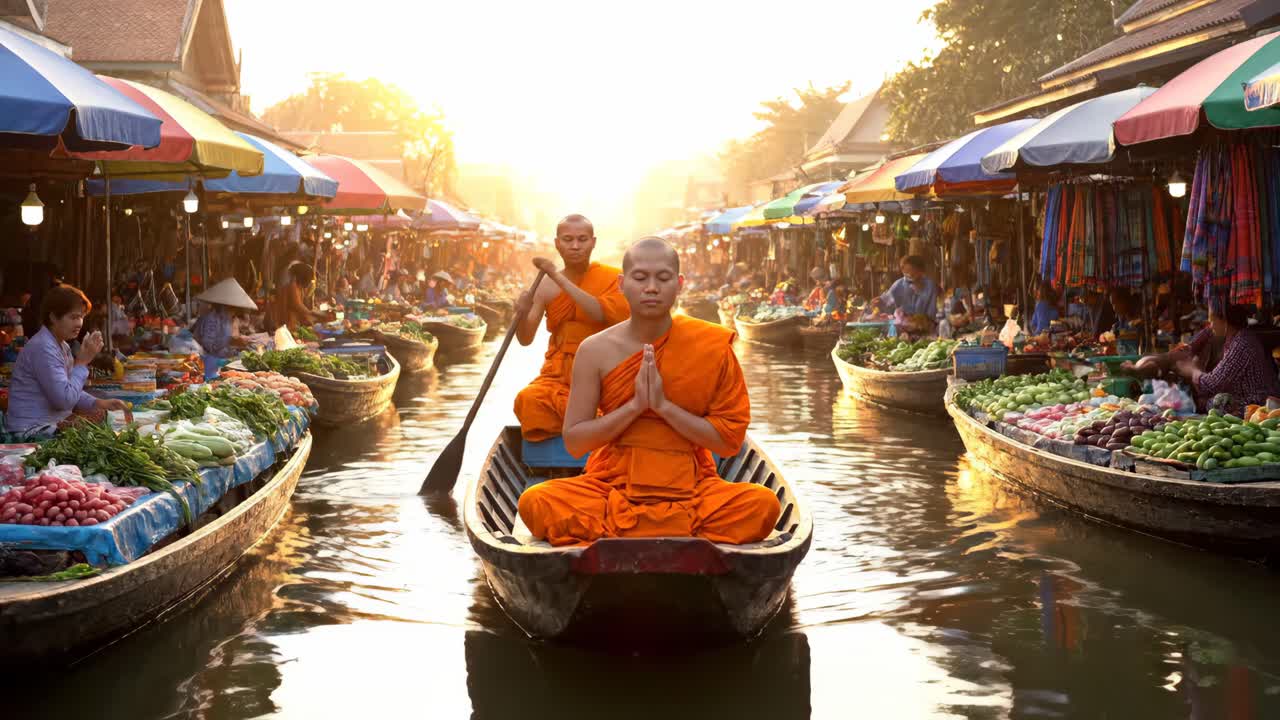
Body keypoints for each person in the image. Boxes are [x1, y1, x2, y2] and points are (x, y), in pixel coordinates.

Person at [517, 237, 780, 546]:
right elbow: (575, 442)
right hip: (613, 486)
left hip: (692, 487)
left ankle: (625, 531)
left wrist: (664, 406)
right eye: (640, 278)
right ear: (621, 284)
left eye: (663, 278)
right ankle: (679, 531)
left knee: (763, 505)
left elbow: (728, 442)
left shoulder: (710, 346)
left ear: (679, 283)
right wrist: (633, 408)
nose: (651, 287)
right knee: (535, 502)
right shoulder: (595, 350)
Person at [513, 214, 630, 442]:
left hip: (605, 375)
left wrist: (557, 276)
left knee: (623, 404)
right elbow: (525, 339)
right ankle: (593, 429)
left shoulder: (614, 279)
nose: (575, 246)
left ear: (593, 242)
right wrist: (520, 314)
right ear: (557, 243)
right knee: (528, 400)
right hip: (559, 377)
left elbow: (598, 312)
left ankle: (588, 428)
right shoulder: (544, 286)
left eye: (582, 239)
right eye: (568, 239)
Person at [7, 285, 128, 437]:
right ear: (53, 317)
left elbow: (70, 389)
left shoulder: (62, 345)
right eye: (73, 317)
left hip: (50, 426)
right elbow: (65, 400)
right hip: (30, 430)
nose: (79, 323)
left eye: (81, 317)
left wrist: (99, 403)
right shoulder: (43, 347)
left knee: (105, 419)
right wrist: (82, 363)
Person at [1130, 303, 1280, 416]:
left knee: (1211, 404)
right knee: (1204, 401)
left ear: (1225, 321)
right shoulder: (1230, 334)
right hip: (1240, 396)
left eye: (1212, 320)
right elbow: (1205, 334)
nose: (1210, 325)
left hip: (1257, 404)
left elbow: (1212, 383)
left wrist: (1192, 370)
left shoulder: (1243, 343)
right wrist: (1187, 348)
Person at [192, 278, 257, 358]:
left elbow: (224, 343)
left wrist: (237, 347)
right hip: (207, 360)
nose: (235, 310)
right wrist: (231, 341)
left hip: (220, 357)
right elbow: (209, 347)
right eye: (234, 308)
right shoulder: (211, 319)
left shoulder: (226, 319)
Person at [876, 255, 938, 319]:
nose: (909, 275)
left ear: (921, 271)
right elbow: (887, 301)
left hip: (923, 325)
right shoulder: (899, 284)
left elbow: (932, 313)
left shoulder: (930, 286)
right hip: (901, 324)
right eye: (906, 272)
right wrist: (879, 302)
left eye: (912, 271)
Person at [270, 262, 323, 331]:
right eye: (309, 279)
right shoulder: (292, 286)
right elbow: (297, 305)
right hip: (285, 324)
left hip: (292, 324)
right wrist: (313, 314)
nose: (310, 281)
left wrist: (310, 316)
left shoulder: (299, 287)